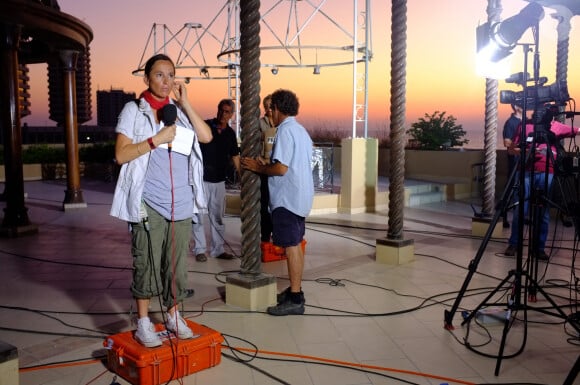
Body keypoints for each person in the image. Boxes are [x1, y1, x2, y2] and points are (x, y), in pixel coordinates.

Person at [110, 54, 212, 347]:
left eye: (171, 75)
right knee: (147, 263)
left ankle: (173, 315)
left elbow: (205, 137)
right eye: (159, 75)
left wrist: (186, 104)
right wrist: (156, 139)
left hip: (181, 203)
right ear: (146, 79)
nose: (166, 81)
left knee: (176, 267)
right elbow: (121, 155)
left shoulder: (178, 112)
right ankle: (143, 322)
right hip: (149, 202)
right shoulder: (133, 110)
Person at [241, 89, 314, 316]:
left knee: (291, 247)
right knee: (296, 243)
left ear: (278, 109)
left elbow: (281, 169)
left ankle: (294, 298)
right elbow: (288, 163)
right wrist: (268, 162)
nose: (268, 113)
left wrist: (258, 167)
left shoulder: (283, 131)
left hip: (287, 199)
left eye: (270, 109)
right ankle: (296, 292)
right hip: (300, 196)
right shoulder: (301, 131)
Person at [504, 109, 579, 260]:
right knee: (520, 209)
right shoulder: (524, 126)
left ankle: (539, 248)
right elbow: (511, 149)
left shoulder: (556, 126)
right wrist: (527, 152)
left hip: (548, 172)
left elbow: (577, 131)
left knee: (543, 213)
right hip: (525, 171)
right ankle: (514, 244)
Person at [191, 99, 240, 262]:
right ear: (217, 109)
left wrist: (242, 177)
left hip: (219, 181)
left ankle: (217, 250)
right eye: (221, 110)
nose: (223, 114)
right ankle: (199, 250)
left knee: (217, 217)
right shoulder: (205, 125)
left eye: (227, 112)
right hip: (201, 180)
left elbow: (235, 156)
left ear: (231, 115)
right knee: (197, 215)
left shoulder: (230, 134)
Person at [501, 103, 522, 228]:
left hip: (524, 161)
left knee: (522, 191)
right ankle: (503, 217)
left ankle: (519, 217)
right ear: (515, 106)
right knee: (510, 189)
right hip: (514, 161)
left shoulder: (525, 121)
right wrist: (521, 148)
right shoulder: (510, 123)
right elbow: (507, 143)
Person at [259, 95, 277, 243]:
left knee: (277, 204)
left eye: (271, 106)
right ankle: (265, 236)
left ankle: (278, 235)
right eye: (266, 106)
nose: (269, 109)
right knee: (264, 205)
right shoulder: (260, 123)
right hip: (264, 169)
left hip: (277, 170)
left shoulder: (282, 126)